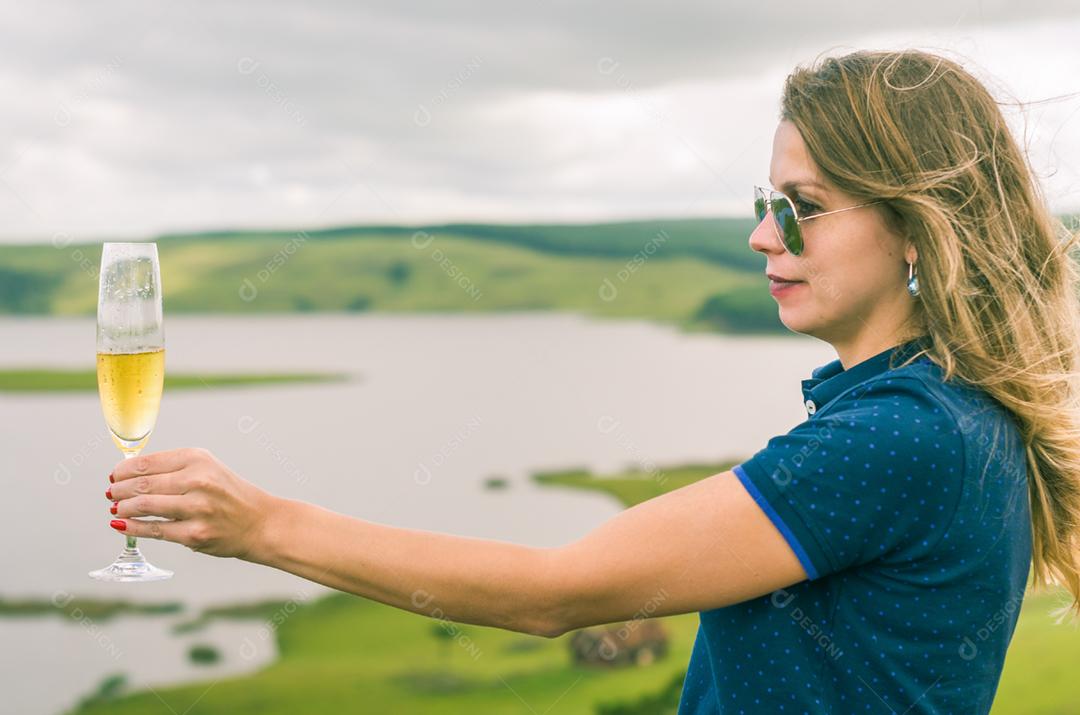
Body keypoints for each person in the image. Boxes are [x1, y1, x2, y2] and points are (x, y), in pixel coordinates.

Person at [102, 48, 1080, 713]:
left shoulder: (895, 440)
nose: (760, 235)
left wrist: (261, 525)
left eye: (803, 208)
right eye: (763, 203)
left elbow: (554, 593)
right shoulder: (954, 412)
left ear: (914, 226)